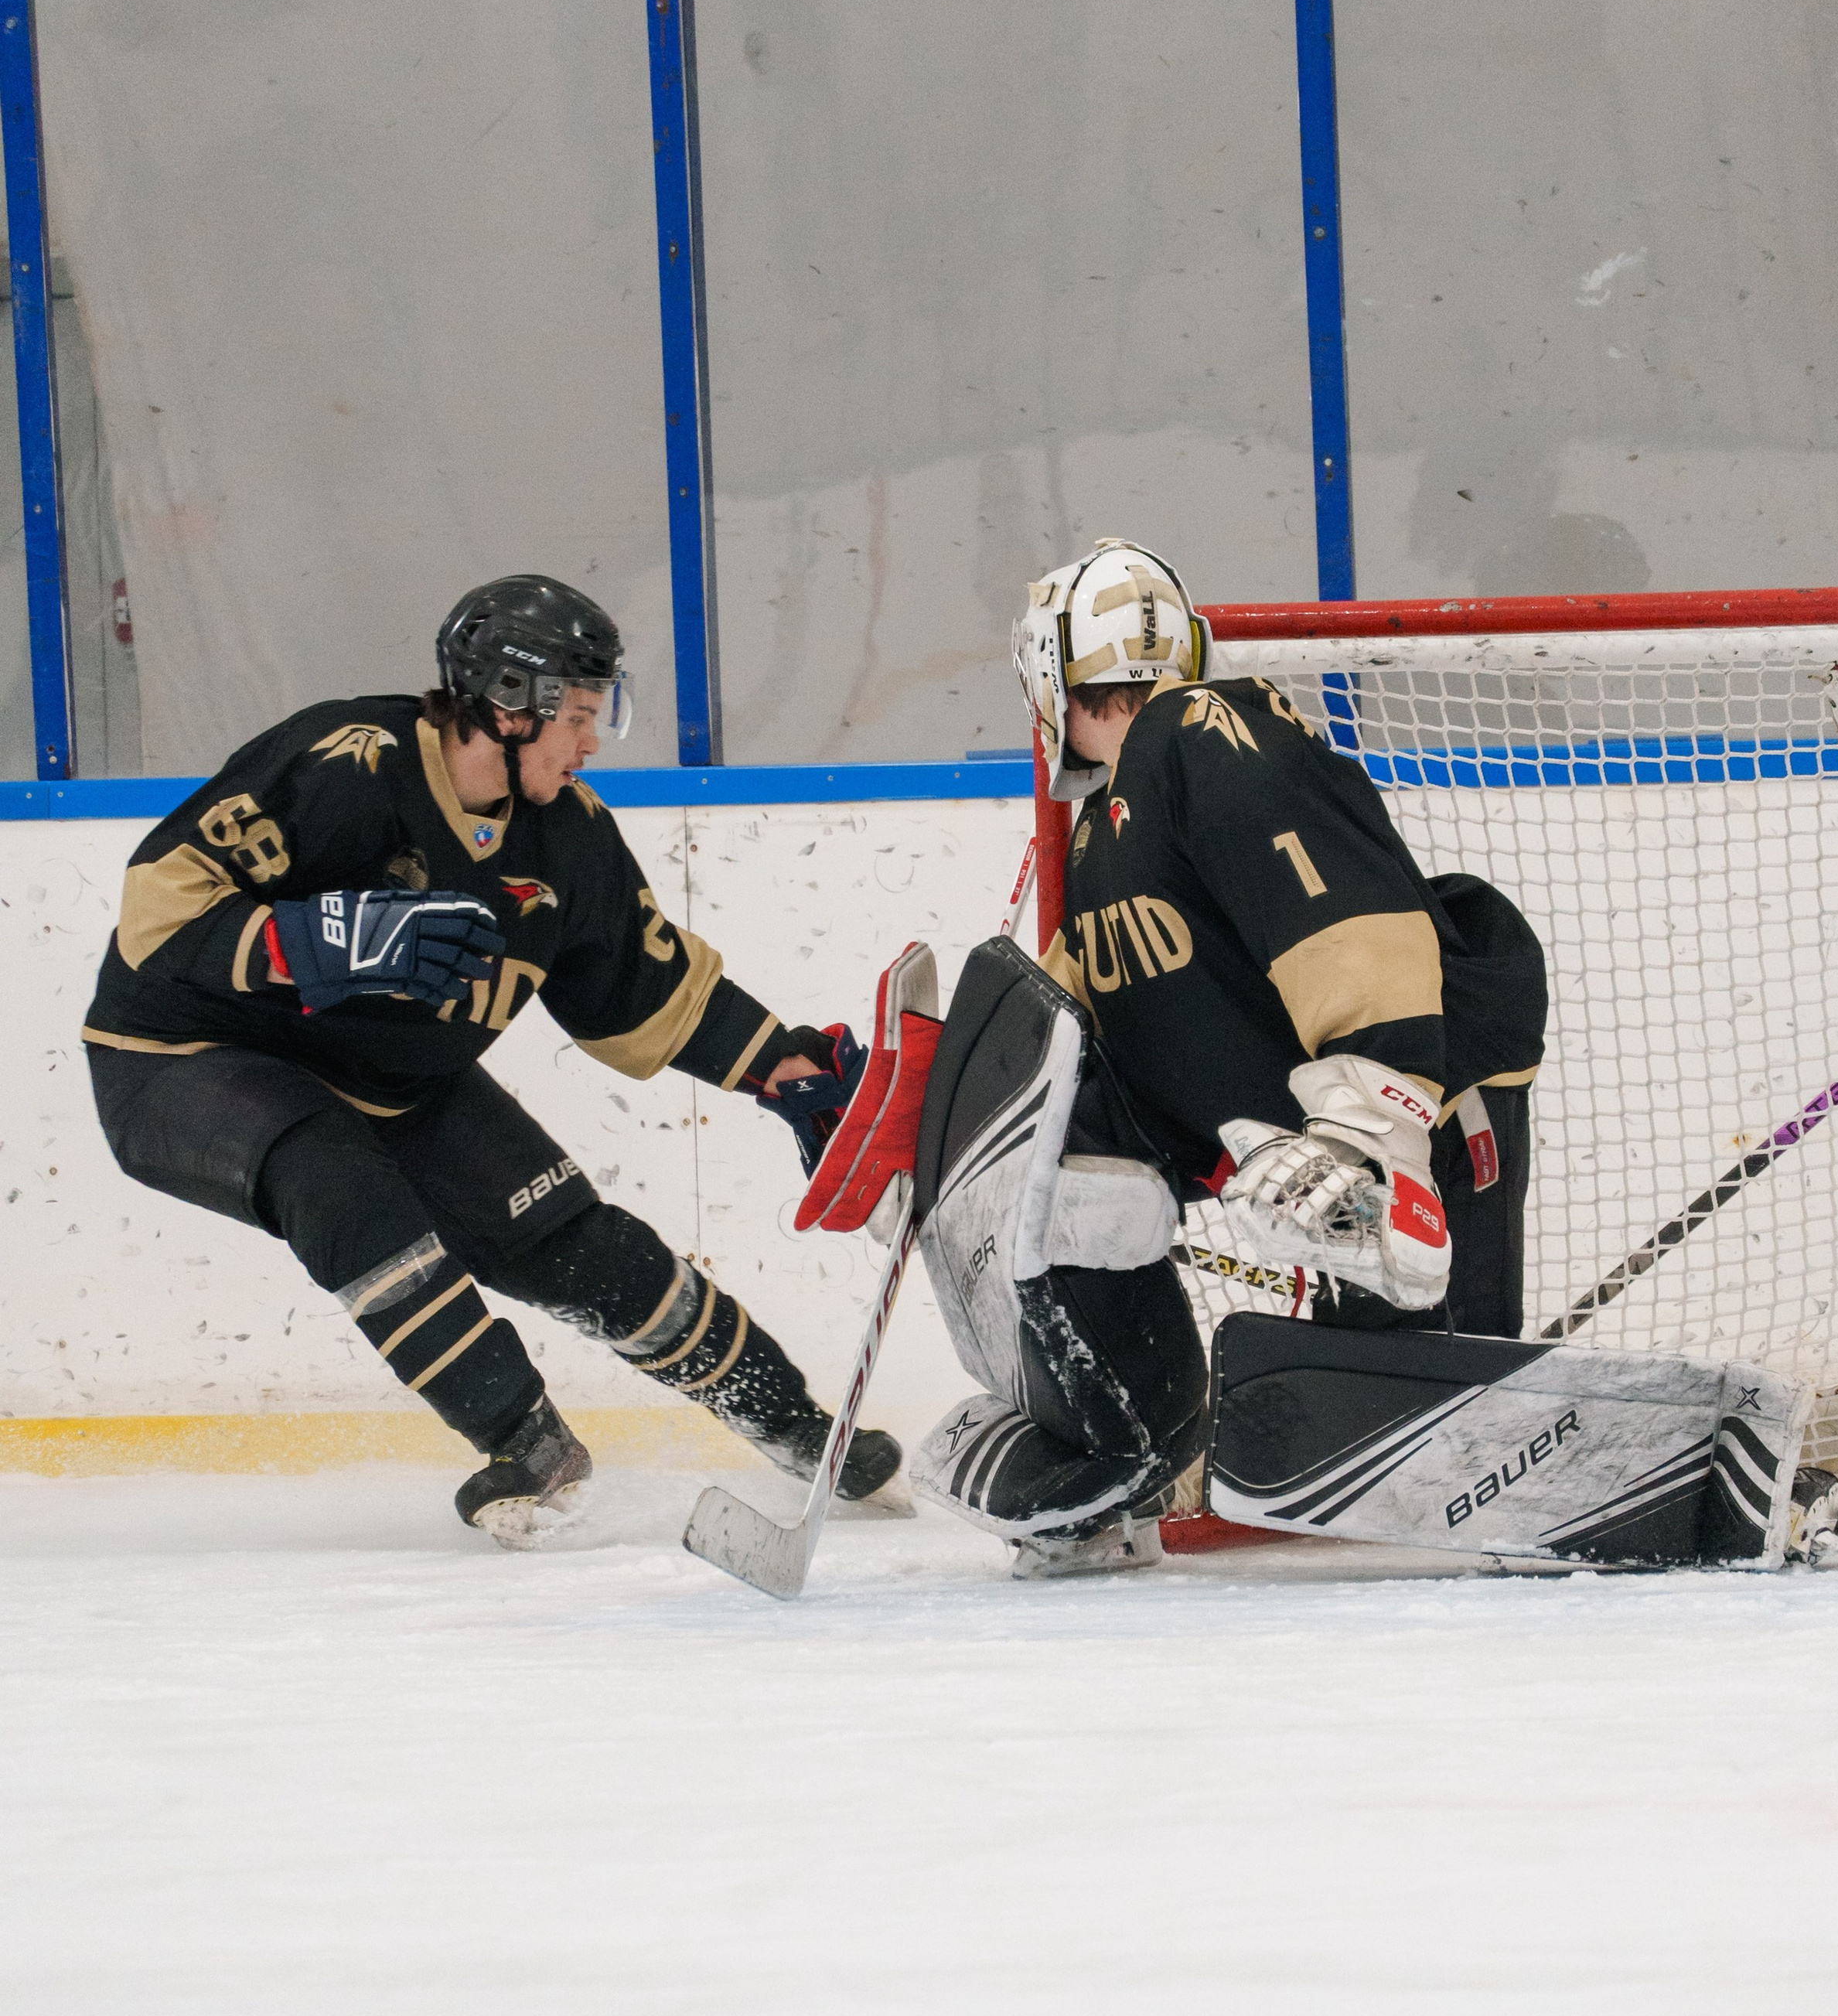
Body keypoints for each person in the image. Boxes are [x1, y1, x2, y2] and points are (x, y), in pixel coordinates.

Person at [83, 575, 899, 1545]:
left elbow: (647, 991)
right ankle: (526, 1440)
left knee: (572, 1238)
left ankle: (804, 1432)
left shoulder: (570, 836)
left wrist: (783, 1072)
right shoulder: (349, 763)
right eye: (581, 715)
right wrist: (323, 943)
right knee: (337, 1183)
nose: (592, 740)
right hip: (185, 1055)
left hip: (395, 1078)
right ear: (512, 707)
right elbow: (158, 909)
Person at [905, 540, 1548, 1568]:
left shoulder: (1198, 729)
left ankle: (1540, 1447)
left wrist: (1371, 1119)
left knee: (1430, 1396)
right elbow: (1073, 1039)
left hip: (1427, 1095)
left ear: (1051, 674)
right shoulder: (1108, 831)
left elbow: (1333, 889)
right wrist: (914, 1106)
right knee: (1375, 1402)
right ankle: (1124, 1438)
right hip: (1314, 1142)